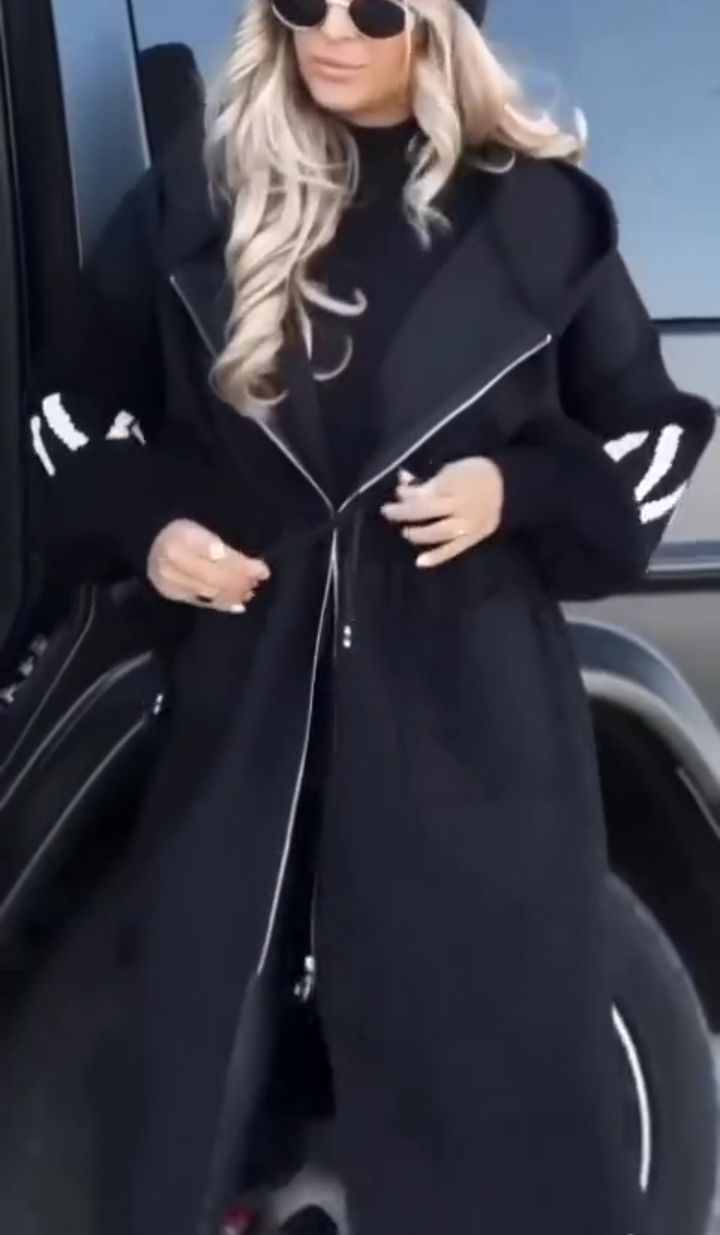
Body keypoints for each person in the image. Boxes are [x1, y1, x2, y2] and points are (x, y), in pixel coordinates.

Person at [29, 0, 715, 1231]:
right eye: (305, 2)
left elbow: (651, 432)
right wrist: (152, 525)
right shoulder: (200, 196)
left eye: (376, 9)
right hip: (247, 727)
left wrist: (516, 488)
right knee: (185, 1102)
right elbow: (68, 411)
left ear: (438, 25)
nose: (333, 32)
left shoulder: (536, 216)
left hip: (470, 730)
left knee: (490, 1110)